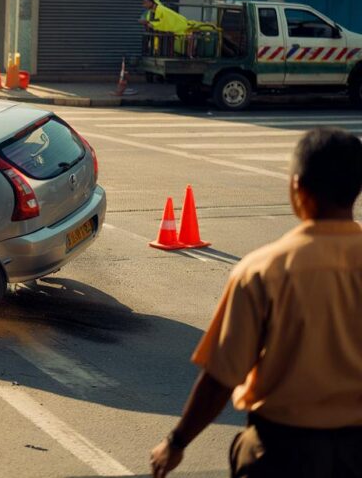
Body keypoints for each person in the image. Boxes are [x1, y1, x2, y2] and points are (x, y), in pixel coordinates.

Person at [149, 127, 362, 478]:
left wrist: (176, 442)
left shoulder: (264, 270)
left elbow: (220, 377)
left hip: (283, 453)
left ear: (298, 188)